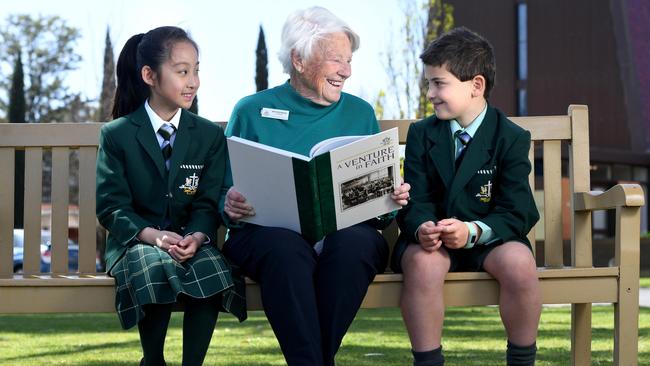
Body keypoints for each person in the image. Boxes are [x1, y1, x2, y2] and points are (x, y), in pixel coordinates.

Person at [222, 6, 410, 366]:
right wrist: (229, 203)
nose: (346, 71)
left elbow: (380, 211)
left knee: (355, 245)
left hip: (344, 234)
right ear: (299, 59)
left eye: (349, 60)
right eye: (336, 59)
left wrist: (391, 197)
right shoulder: (251, 110)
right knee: (286, 250)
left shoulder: (360, 113)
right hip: (267, 236)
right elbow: (224, 191)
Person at [96, 26, 246, 366]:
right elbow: (111, 207)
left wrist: (196, 236)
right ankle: (153, 360)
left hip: (189, 239)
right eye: (182, 71)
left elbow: (208, 202)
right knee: (154, 264)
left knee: (210, 267)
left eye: (196, 70)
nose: (192, 81)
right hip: (137, 243)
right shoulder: (118, 135)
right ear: (149, 74)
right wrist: (154, 236)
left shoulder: (208, 135)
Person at [392, 27, 541, 366]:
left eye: (439, 83)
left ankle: (521, 360)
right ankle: (428, 361)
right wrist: (423, 228)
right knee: (421, 263)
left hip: (490, 239)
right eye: (428, 83)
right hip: (433, 242)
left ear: (476, 85)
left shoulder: (511, 137)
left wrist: (473, 231)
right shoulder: (421, 134)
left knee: (520, 264)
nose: (430, 93)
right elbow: (415, 198)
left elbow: (518, 210)